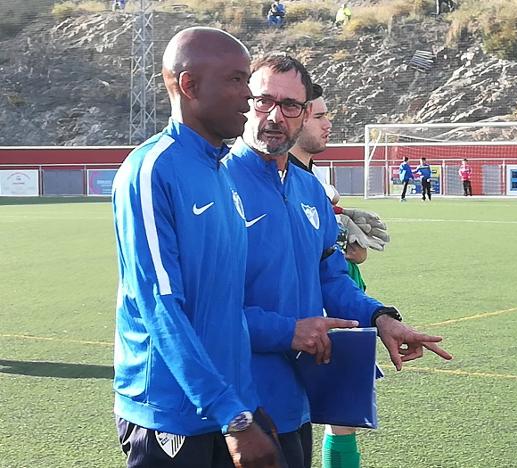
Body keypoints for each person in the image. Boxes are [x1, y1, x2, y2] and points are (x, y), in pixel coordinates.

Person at [223, 53, 452, 468]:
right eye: (262, 101)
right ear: (245, 101)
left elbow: (332, 280)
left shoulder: (310, 191)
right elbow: (203, 310)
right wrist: (287, 331)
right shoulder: (215, 182)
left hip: (296, 400)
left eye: (289, 106)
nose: (274, 116)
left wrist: (380, 317)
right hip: (233, 408)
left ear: (303, 113)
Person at [111, 27, 279, 468]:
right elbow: (160, 303)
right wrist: (233, 416)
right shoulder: (152, 170)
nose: (249, 95)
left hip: (225, 409)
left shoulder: (221, 171)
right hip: (171, 413)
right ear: (189, 86)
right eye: (236, 80)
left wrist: (244, 403)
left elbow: (226, 306)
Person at [289, 83, 389, 467]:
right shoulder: (281, 180)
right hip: (308, 314)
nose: (329, 123)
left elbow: (352, 258)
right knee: (311, 421)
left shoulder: (318, 184)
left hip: (345, 302)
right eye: (320, 115)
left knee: (340, 417)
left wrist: (345, 229)